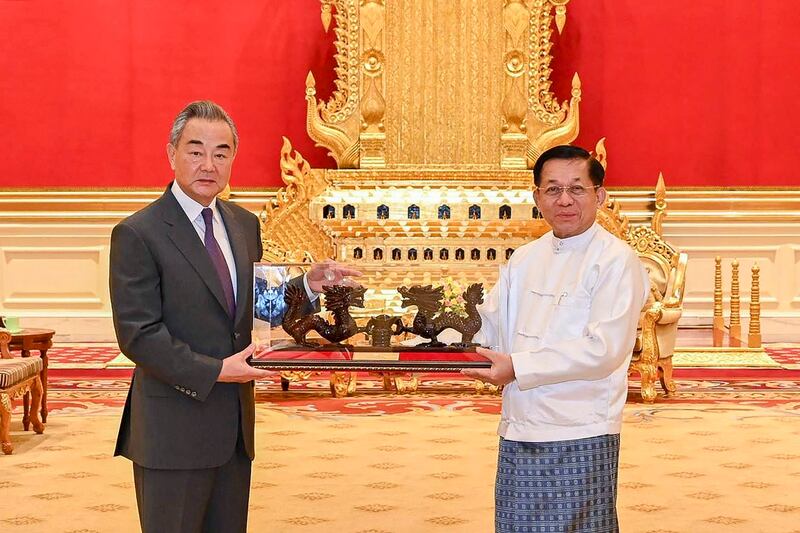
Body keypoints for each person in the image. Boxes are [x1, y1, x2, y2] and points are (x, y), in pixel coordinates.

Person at [110, 100, 359, 533]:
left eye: (221, 153)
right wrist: (215, 371)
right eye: (195, 151)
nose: (208, 164)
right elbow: (138, 335)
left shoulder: (243, 224)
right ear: (172, 154)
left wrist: (307, 286)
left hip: (234, 433)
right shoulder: (138, 233)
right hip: (172, 431)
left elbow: (258, 309)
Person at [463, 145, 649, 532]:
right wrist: (438, 337)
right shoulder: (525, 258)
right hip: (521, 422)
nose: (564, 200)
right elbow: (492, 325)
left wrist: (518, 367)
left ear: (599, 195)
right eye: (552, 189)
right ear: (537, 197)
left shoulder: (615, 260)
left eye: (576, 188)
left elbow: (605, 350)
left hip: (582, 426)